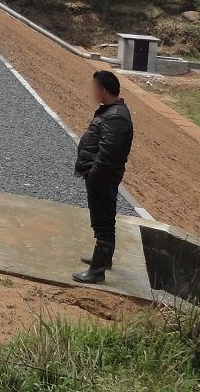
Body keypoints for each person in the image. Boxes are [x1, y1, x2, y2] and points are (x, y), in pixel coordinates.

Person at [72, 69, 133, 284]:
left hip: (102, 178)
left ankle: (97, 272)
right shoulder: (111, 111)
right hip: (101, 176)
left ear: (104, 90)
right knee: (103, 219)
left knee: (104, 220)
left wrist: (94, 175)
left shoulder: (116, 117)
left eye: (95, 88)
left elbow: (108, 153)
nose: (92, 91)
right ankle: (103, 259)